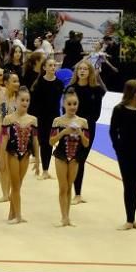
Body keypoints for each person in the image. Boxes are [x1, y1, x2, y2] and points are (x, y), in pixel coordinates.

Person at [110, 80, 136, 230]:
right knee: (129, 185)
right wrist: (118, 148)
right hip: (125, 153)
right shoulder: (119, 110)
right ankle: (129, 219)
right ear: (134, 92)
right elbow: (113, 131)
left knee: (135, 185)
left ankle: (132, 219)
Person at [50, 89, 90, 227]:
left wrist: (80, 133)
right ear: (64, 104)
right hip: (61, 155)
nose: (72, 107)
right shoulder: (58, 121)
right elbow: (51, 141)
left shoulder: (83, 122)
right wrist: (64, 133)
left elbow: (86, 143)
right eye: (69, 104)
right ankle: (63, 217)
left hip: (75, 157)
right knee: (63, 187)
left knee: (69, 187)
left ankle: (68, 217)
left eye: (75, 104)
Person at [69, 59, 106, 204]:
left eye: (85, 69)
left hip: (88, 128)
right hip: (72, 127)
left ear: (90, 72)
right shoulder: (71, 88)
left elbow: (96, 114)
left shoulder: (96, 90)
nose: (82, 71)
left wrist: (83, 125)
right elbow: (65, 109)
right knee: (73, 159)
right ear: (77, 72)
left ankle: (78, 194)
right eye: (80, 69)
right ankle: (73, 190)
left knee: (81, 159)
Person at [0, 87, 39, 224]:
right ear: (15, 101)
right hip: (12, 154)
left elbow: (35, 141)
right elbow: (4, 140)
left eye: (27, 100)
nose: (25, 102)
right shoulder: (8, 119)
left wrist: (38, 160)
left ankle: (12, 213)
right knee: (15, 186)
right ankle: (18, 216)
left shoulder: (33, 120)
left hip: (26, 155)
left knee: (18, 185)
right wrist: (1, 161)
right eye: (22, 100)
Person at [30, 58, 64, 180]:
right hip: (41, 117)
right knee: (43, 142)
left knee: (50, 143)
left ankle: (46, 169)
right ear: (44, 68)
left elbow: (59, 102)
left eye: (54, 65)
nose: (53, 67)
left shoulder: (59, 84)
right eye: (50, 65)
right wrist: (34, 119)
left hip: (54, 118)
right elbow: (34, 104)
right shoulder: (39, 83)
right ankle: (42, 168)